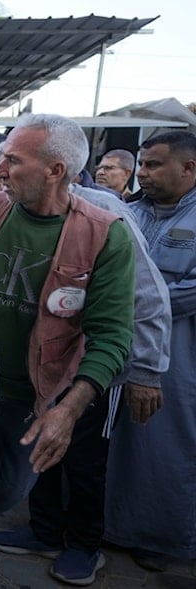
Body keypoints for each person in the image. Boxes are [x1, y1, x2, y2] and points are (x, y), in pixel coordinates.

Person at [0, 114, 135, 589]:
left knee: (3, 495)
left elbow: (111, 336)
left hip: (34, 401)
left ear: (55, 170)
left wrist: (68, 410)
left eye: (13, 161)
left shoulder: (106, 235)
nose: (0, 171)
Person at [105, 130, 196, 571]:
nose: (143, 174)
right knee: (115, 439)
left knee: (165, 438)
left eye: (154, 165)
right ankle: (111, 526)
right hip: (118, 343)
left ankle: (163, 537)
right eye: (141, 165)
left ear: (189, 168)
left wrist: (124, 300)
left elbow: (185, 293)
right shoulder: (131, 211)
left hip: (179, 353)